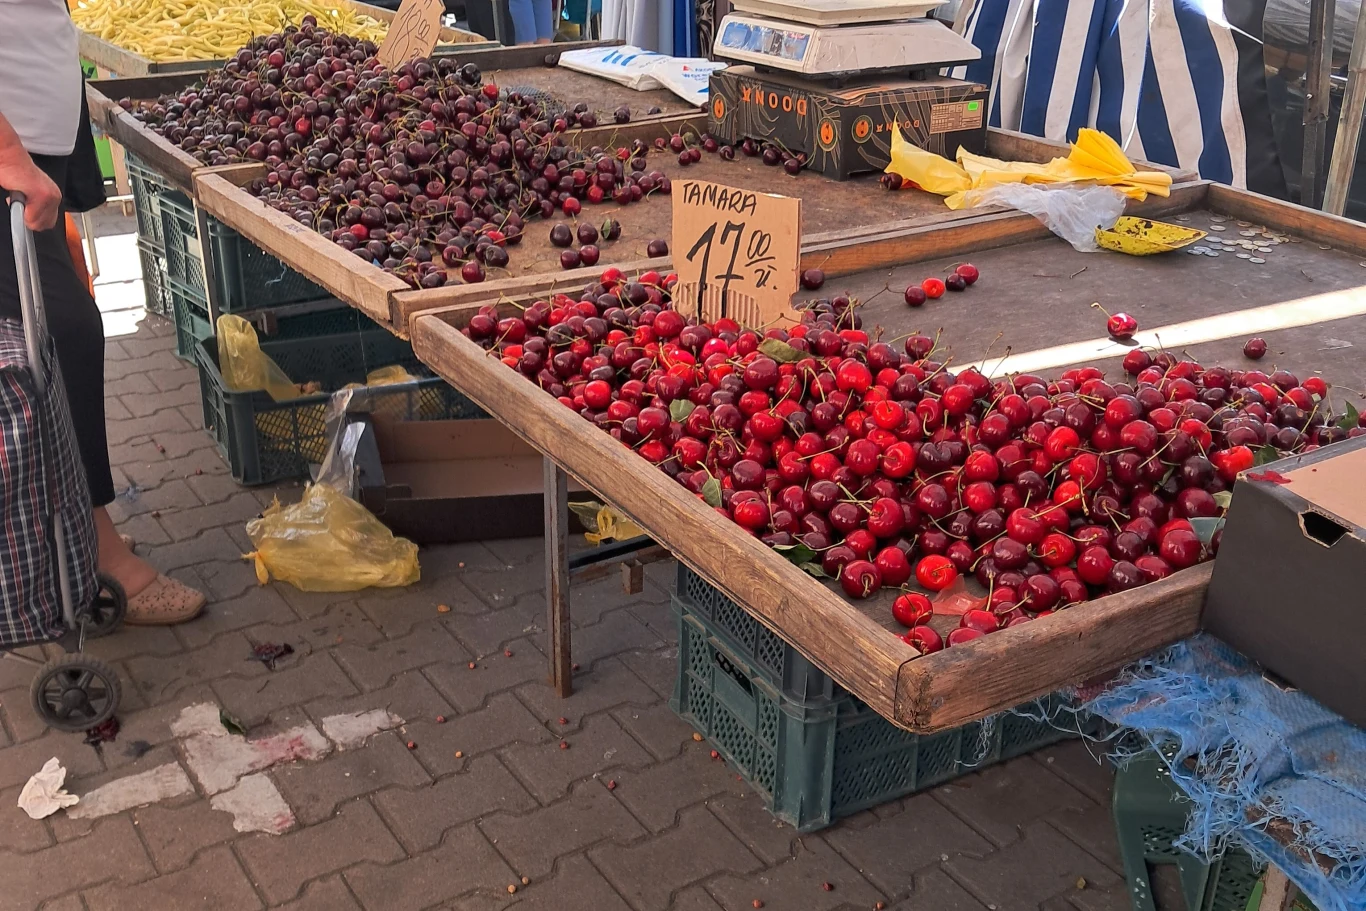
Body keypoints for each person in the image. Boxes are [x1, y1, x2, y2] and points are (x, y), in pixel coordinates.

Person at [0, 0, 206, 625]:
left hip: (35, 134)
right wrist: (8, 154)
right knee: (58, 338)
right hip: (13, 152)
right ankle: (93, 554)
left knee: (60, 330)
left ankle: (59, 539)